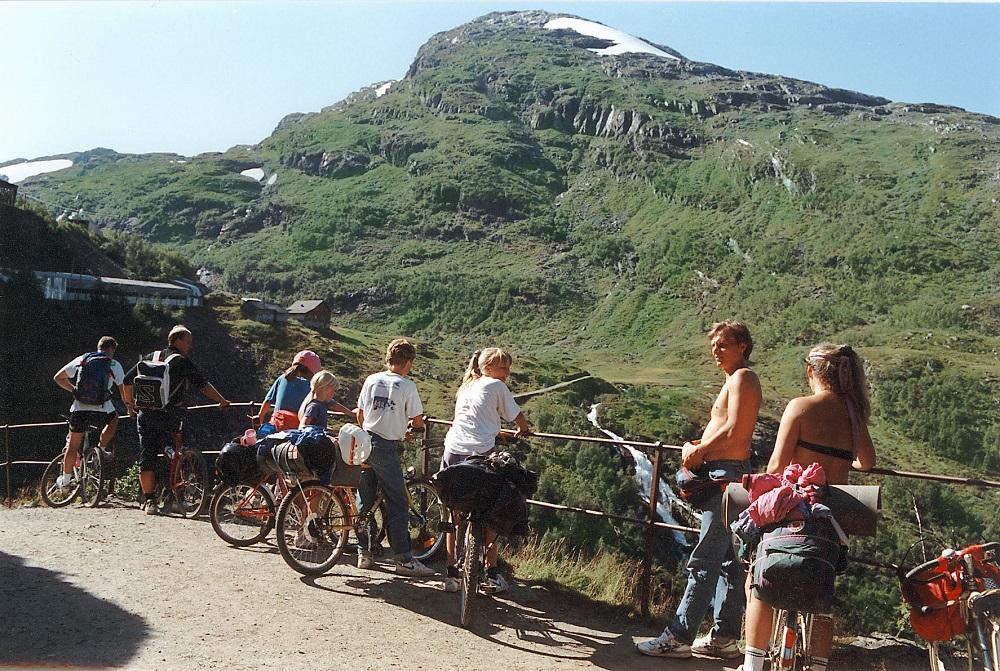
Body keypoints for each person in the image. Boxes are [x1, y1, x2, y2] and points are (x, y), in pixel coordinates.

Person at [738, 343, 875, 671]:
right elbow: (867, 462)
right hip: (830, 520)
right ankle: (816, 665)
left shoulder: (800, 407)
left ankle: (753, 664)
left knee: (758, 582)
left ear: (811, 372)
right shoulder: (852, 414)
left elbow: (775, 467)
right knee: (823, 593)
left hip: (793, 512)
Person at [638, 320, 762, 659]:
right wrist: (702, 447)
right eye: (714, 344)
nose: (715, 350)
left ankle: (678, 637)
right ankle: (724, 638)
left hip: (726, 475)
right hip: (725, 473)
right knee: (726, 560)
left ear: (743, 347)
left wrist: (700, 451)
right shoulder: (736, 379)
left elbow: (736, 426)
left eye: (723, 344)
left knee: (705, 558)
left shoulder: (743, 378)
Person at [439, 347, 531, 593]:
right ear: (487, 367)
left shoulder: (466, 386)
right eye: (503, 368)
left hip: (453, 451)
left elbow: (476, 419)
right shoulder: (496, 385)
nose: (507, 373)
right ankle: (491, 574)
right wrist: (523, 429)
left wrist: (493, 430)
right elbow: (517, 417)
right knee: (494, 509)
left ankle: (450, 573)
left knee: (453, 514)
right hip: (479, 454)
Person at [122, 325, 230, 515]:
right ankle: (173, 494)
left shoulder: (150, 357)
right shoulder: (181, 362)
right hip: (170, 415)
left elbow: (127, 380)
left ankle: (150, 502)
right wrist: (221, 400)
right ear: (178, 340)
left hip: (146, 414)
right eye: (188, 342)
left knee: (147, 457)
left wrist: (130, 405)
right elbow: (203, 385)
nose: (190, 346)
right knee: (174, 452)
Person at [354, 338, 435, 577]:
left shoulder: (371, 379)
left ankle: (363, 552)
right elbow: (418, 421)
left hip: (365, 441)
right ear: (408, 362)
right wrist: (410, 431)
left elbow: (360, 414)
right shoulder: (407, 385)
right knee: (398, 501)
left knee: (365, 498)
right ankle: (404, 559)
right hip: (386, 447)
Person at [52, 336, 126, 488]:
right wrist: (130, 407)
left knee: (73, 446)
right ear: (112, 349)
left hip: (80, 409)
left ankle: (65, 481)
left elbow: (58, 378)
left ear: (98, 347)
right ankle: (101, 449)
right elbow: (123, 389)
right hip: (102, 411)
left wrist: (75, 391)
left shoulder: (82, 360)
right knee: (114, 419)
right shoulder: (113, 364)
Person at [255, 350, 321, 437]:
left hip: (276, 426)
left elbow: (267, 401)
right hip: (296, 430)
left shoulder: (282, 378)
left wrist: (260, 418)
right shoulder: (312, 386)